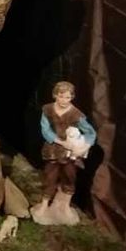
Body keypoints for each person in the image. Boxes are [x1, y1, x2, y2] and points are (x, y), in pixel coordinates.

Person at [31, 81, 95, 226]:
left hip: (69, 153)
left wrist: (83, 146)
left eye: (68, 97)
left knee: (69, 176)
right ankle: (44, 204)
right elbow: (45, 129)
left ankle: (65, 205)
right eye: (61, 96)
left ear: (72, 97)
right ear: (55, 95)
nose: (64, 100)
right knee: (50, 176)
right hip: (53, 149)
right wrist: (59, 141)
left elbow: (91, 133)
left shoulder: (76, 114)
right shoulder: (47, 109)